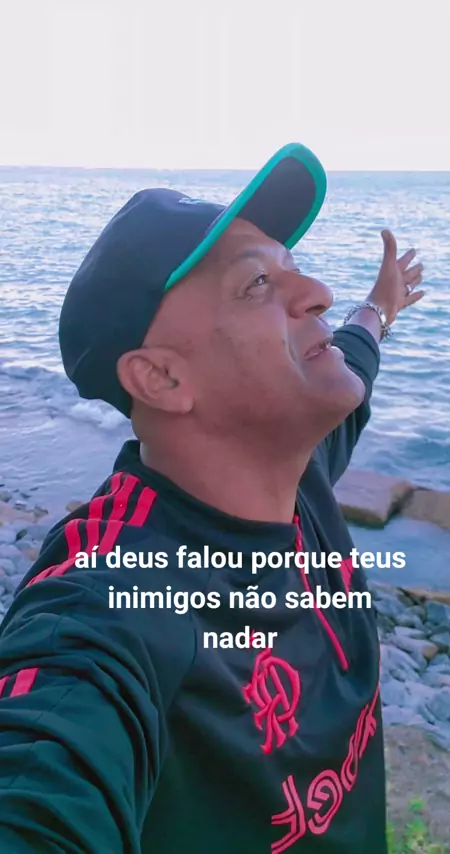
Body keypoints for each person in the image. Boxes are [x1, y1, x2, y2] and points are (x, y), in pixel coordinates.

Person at [0, 143, 424, 853]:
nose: (316, 290)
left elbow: (354, 349)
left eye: (292, 266)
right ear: (161, 379)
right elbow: (42, 768)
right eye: (257, 283)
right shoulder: (111, 598)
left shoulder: (298, 473)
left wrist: (380, 307)